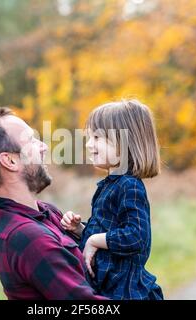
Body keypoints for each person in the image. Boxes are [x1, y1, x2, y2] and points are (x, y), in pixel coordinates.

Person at [0, 106, 106, 300]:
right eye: (31, 140)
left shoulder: (44, 212)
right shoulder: (28, 237)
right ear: (10, 161)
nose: (43, 146)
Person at [61, 99, 164, 300]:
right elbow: (110, 231)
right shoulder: (110, 185)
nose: (89, 144)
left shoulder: (129, 186)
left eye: (97, 137)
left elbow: (137, 237)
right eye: (89, 137)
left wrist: (93, 240)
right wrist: (81, 230)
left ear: (126, 142)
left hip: (125, 292)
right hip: (107, 287)